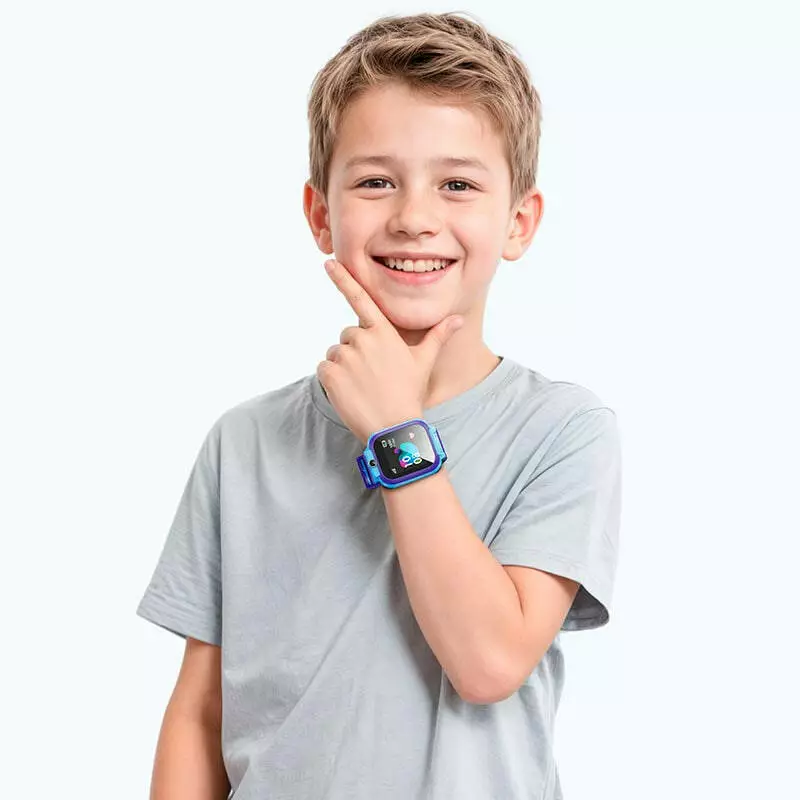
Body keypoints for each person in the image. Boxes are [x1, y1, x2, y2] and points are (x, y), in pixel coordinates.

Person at [136, 11, 622, 800]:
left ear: (519, 222)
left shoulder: (563, 432)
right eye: (375, 181)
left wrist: (399, 433)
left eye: (457, 184)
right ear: (320, 214)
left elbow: (489, 662)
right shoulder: (244, 443)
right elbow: (201, 711)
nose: (414, 218)